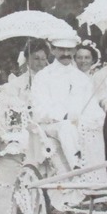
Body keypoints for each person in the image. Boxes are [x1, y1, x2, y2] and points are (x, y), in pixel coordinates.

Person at [30, 35, 94, 169]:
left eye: (69, 50)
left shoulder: (82, 78)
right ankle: (79, 170)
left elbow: (92, 106)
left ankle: (102, 172)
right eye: (61, 49)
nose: (66, 53)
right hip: (52, 126)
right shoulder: (43, 77)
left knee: (99, 127)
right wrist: (66, 116)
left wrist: (93, 119)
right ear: (53, 50)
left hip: (79, 124)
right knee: (67, 127)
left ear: (74, 50)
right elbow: (39, 110)